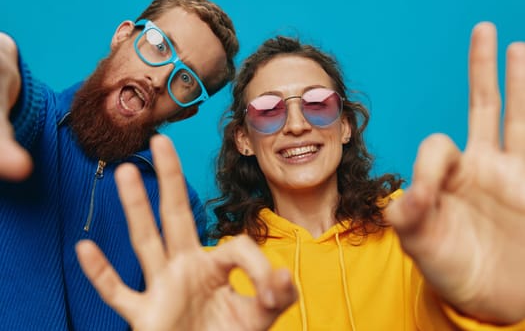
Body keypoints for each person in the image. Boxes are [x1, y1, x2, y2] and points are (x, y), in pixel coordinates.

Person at [77, 21, 525, 330]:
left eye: (317, 103)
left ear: (345, 125)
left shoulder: (419, 229)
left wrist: (497, 311)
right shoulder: (224, 270)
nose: (295, 124)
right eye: (268, 110)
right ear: (244, 139)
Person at [0, 0, 238, 331]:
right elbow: (17, 95)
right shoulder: (35, 120)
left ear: (187, 110)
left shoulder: (179, 208)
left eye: (186, 79)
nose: (159, 78)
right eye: (159, 45)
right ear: (123, 35)